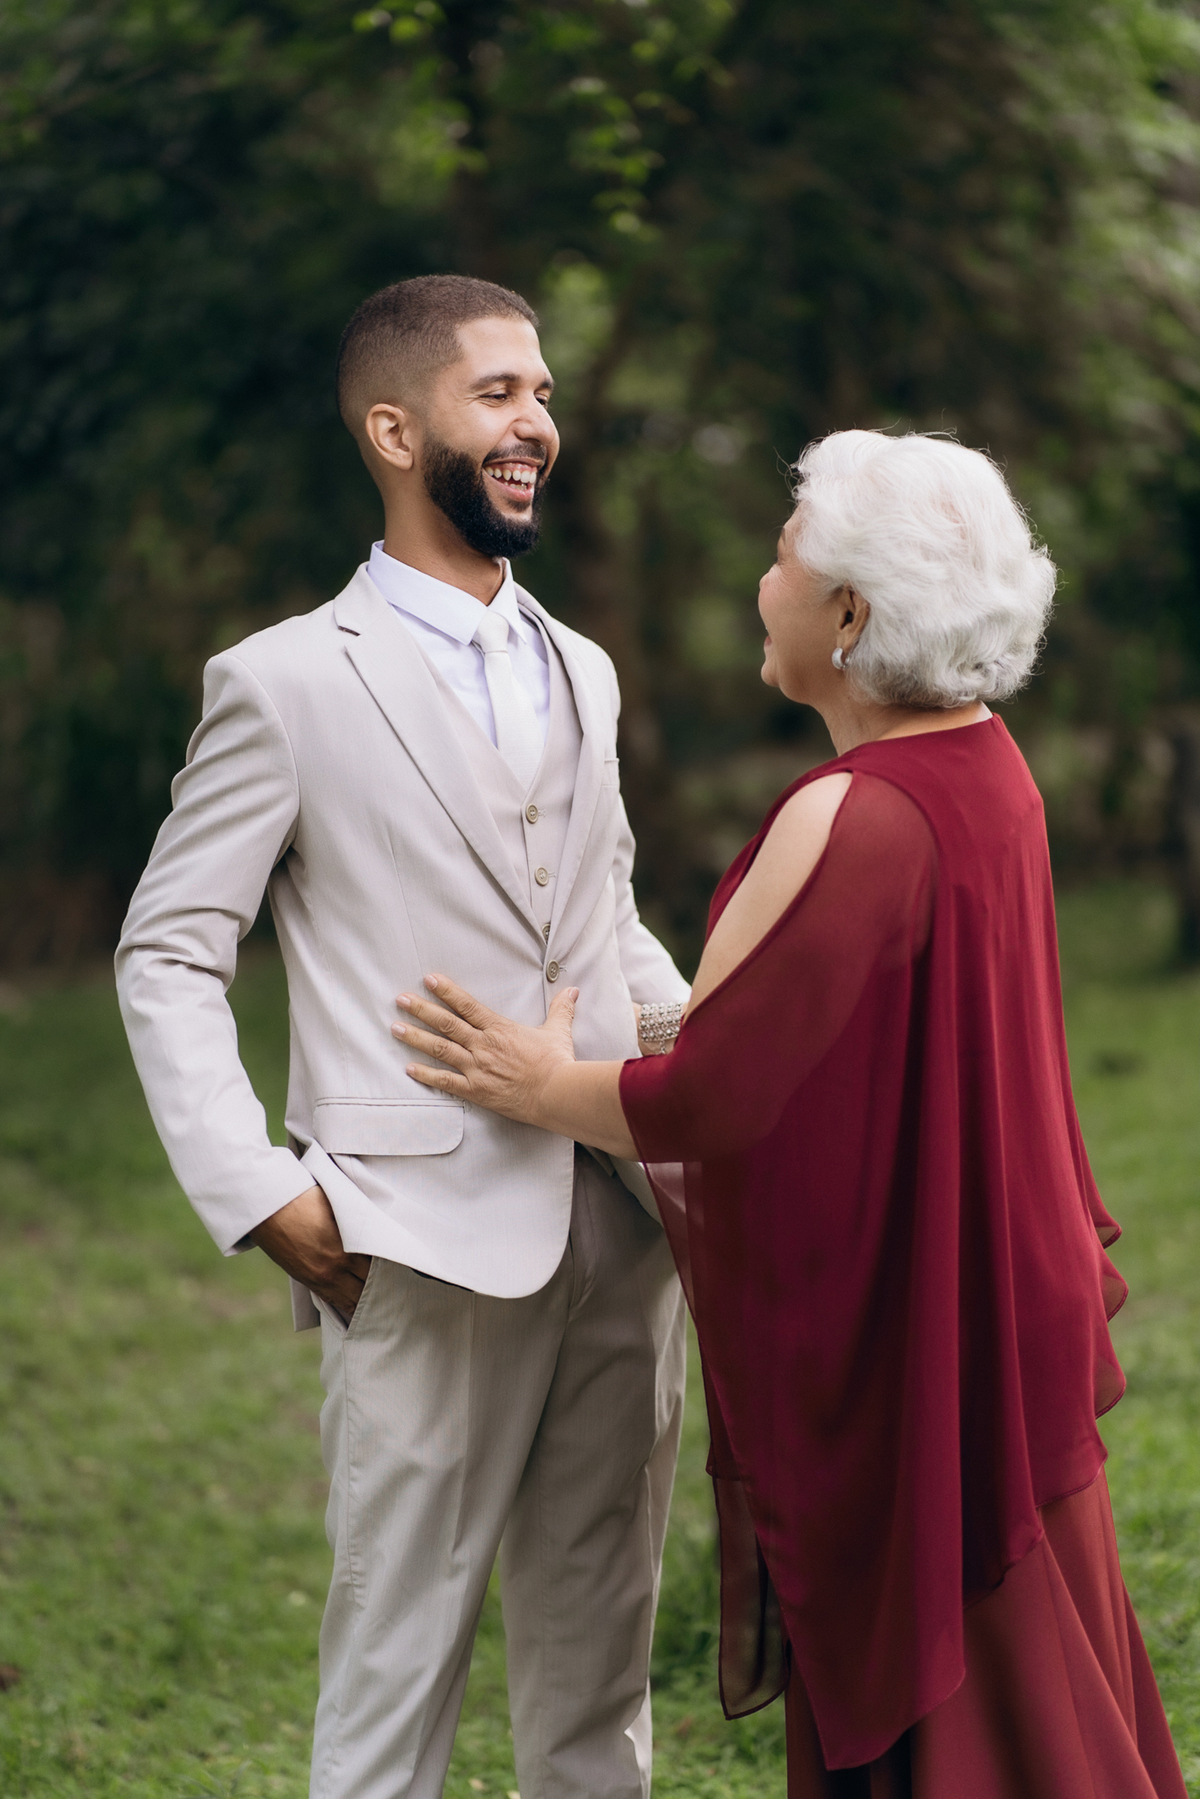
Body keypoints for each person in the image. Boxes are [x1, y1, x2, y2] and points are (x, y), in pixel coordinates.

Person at [388, 430, 1188, 1798]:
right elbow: (836, 1036)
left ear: (851, 614)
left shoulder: (856, 812)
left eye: (781, 553)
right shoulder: (992, 765)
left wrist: (533, 1081)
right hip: (993, 1287)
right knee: (1031, 1672)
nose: (764, 579)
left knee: (983, 1709)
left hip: (921, 1328)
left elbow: (713, 1097)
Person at [115, 274, 692, 1799]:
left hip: (619, 1228)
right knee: (394, 1683)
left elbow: (606, 915)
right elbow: (168, 952)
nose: (538, 426)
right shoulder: (286, 683)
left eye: (546, 395)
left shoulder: (585, 666)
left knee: (600, 1680)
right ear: (393, 428)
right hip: (410, 1238)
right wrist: (259, 1191)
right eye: (500, 393)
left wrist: (705, 1071)